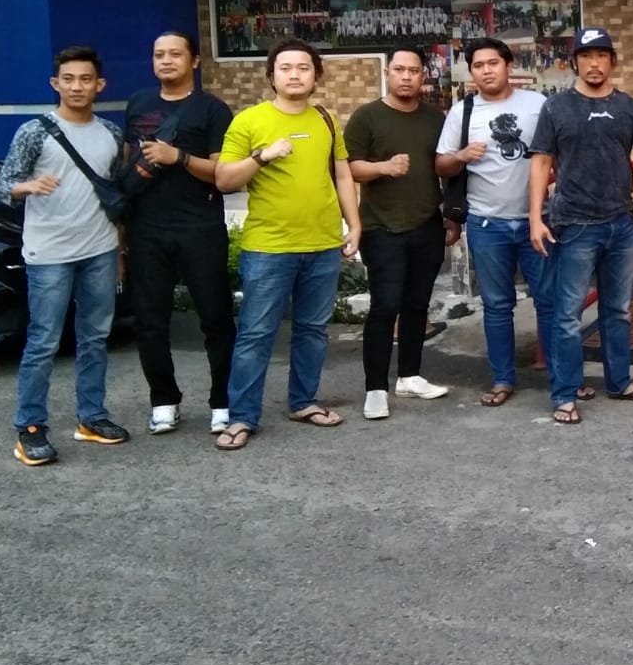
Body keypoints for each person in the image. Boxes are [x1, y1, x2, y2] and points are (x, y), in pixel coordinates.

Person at [213, 39, 362, 450]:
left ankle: (304, 401)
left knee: (312, 330)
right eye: (285, 67)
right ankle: (242, 417)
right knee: (256, 334)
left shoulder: (326, 119)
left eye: (303, 67)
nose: (294, 74)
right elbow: (224, 179)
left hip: (323, 244)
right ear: (271, 76)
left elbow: (342, 175)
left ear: (316, 76)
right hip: (269, 247)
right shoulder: (249, 121)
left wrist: (354, 224)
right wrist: (262, 156)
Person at [529, 27, 633, 424]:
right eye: (586, 56)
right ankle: (565, 393)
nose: (594, 64)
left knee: (618, 310)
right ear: (575, 61)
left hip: (621, 222)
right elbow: (540, 162)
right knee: (568, 314)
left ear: (612, 62)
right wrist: (535, 218)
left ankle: (619, 381)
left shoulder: (630, 107)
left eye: (602, 56)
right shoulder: (556, 107)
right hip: (573, 224)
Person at [0, 46, 129, 465]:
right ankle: (30, 427)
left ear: (99, 85)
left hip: (100, 249)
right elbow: (3, 185)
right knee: (43, 341)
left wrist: (120, 249)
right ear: (55, 83)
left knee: (95, 338)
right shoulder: (34, 131)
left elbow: (114, 196)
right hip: (49, 253)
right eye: (68, 79)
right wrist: (27, 187)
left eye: (85, 79)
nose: (77, 87)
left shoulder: (111, 133)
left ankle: (92, 417)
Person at [123, 31, 237, 437]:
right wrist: (122, 230)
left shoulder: (212, 109)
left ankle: (223, 401)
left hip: (199, 227)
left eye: (175, 54)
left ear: (194, 61)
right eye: (159, 54)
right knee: (150, 320)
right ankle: (163, 400)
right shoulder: (138, 103)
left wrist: (179, 157)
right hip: (147, 228)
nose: (166, 60)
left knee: (216, 318)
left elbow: (222, 173)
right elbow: (127, 165)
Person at [435, 37, 552, 407]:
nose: (486, 71)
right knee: (497, 306)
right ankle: (503, 379)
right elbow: (441, 164)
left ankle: (563, 377)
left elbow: (558, 153)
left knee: (550, 302)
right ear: (471, 72)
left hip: (537, 222)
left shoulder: (538, 105)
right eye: (478, 66)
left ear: (508, 65)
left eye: (493, 63)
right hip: (487, 224)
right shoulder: (463, 112)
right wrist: (461, 156)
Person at [346, 46, 453, 422]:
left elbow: (445, 166)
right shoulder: (367, 116)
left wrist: (452, 216)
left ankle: (409, 376)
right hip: (382, 227)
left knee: (417, 305)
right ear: (387, 73)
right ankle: (375, 388)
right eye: (399, 70)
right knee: (385, 305)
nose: (406, 77)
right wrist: (383, 168)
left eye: (413, 71)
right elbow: (348, 168)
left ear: (424, 75)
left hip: (427, 224)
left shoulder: (434, 118)